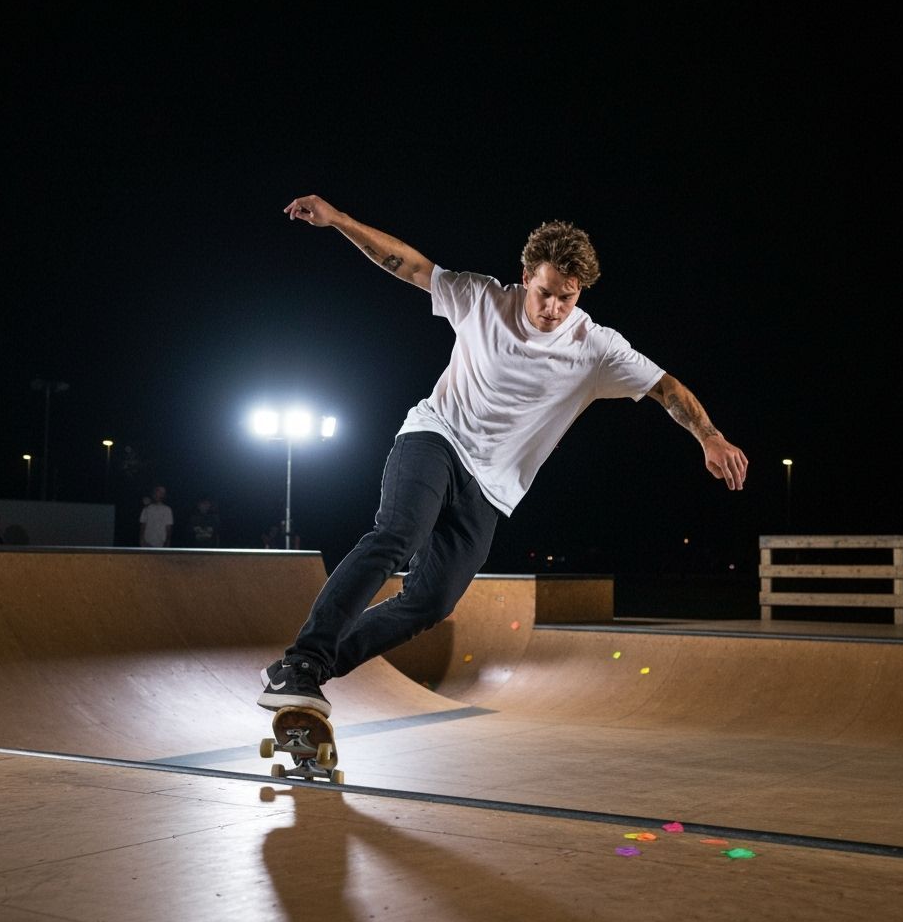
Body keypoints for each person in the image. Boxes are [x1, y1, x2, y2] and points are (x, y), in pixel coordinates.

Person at [258, 194, 748, 717]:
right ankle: (305, 659)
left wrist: (708, 435)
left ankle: (308, 672)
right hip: (435, 439)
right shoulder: (481, 297)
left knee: (432, 602)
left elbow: (664, 386)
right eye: (544, 293)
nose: (553, 309)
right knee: (397, 536)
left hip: (492, 488)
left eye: (567, 297)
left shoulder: (598, 347)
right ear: (524, 275)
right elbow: (408, 264)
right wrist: (340, 221)